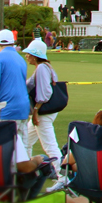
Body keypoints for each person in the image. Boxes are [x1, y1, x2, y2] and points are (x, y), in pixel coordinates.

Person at [23, 38, 62, 175]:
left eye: (29, 54)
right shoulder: (45, 67)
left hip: (42, 112)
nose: (26, 56)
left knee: (50, 146)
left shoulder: (41, 68)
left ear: (35, 55)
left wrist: (35, 111)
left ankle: (63, 178)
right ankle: (28, 171)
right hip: (44, 112)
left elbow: (45, 93)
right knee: (25, 141)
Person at [0, 29, 33, 140]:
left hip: (6, 110)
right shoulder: (21, 59)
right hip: (23, 110)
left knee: (5, 151)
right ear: (13, 43)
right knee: (21, 152)